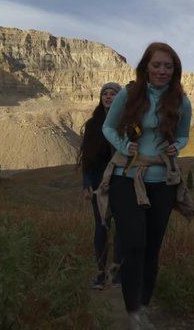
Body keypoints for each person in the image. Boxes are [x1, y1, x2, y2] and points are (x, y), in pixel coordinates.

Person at [102, 42, 192, 329]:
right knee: (136, 243)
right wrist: (123, 146)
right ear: (146, 67)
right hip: (126, 178)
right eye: (157, 65)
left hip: (162, 181)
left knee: (153, 247)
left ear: (174, 69)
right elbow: (109, 126)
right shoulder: (129, 95)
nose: (162, 71)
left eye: (168, 66)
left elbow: (183, 135)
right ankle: (131, 311)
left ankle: (142, 307)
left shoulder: (181, 100)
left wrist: (176, 147)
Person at [76, 82, 123, 290]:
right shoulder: (92, 124)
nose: (108, 97)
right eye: (105, 93)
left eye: (114, 94)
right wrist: (86, 185)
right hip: (97, 183)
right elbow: (87, 157)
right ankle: (100, 273)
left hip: (122, 181)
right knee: (101, 226)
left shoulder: (126, 122)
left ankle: (118, 271)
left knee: (122, 227)